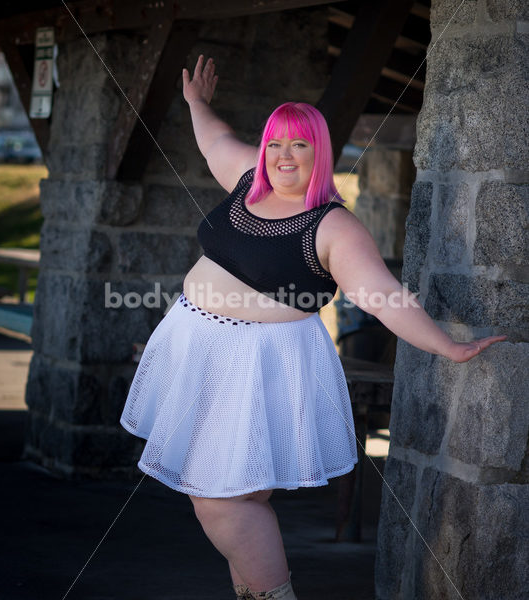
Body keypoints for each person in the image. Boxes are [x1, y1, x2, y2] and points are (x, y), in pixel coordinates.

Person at [119, 55, 507, 600]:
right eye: (275, 142)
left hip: (259, 365)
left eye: (298, 145)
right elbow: (214, 140)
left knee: (220, 499)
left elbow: (383, 298)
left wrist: (447, 346)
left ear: (319, 154)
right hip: (199, 346)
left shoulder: (332, 225)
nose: (282, 155)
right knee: (238, 497)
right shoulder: (249, 180)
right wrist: (196, 103)